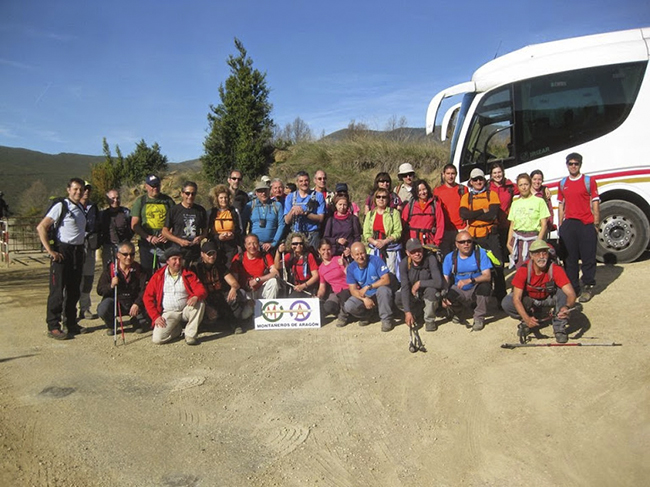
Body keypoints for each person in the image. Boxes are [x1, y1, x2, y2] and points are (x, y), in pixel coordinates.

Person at [36, 178, 87, 339]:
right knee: (57, 291)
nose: (78, 192)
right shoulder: (61, 206)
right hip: (62, 251)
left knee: (73, 290)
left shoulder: (80, 207)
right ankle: (53, 326)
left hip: (77, 252)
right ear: (68, 189)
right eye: (75, 189)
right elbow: (41, 227)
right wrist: (51, 251)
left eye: (81, 189)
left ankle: (70, 323)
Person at [501, 239, 577, 343]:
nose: (541, 256)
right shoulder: (523, 270)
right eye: (537, 253)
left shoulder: (555, 269)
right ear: (531, 256)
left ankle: (559, 328)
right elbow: (516, 298)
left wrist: (567, 307)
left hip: (549, 298)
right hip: (530, 300)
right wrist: (526, 318)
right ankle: (527, 320)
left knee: (563, 293)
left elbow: (571, 293)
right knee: (507, 303)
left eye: (544, 252)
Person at [459, 168, 506, 303]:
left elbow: (493, 214)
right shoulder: (466, 197)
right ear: (471, 182)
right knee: (475, 267)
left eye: (480, 179)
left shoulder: (492, 195)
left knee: (498, 266)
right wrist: (482, 210)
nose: (478, 182)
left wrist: (473, 214)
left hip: (490, 235)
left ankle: (500, 298)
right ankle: (478, 299)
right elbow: (463, 214)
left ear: (484, 180)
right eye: (475, 180)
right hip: (474, 238)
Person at [558, 152, 600, 303]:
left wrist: (596, 222)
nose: (573, 166)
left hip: (586, 223)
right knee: (570, 259)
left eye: (576, 163)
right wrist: (561, 226)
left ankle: (588, 286)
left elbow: (595, 202)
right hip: (570, 224)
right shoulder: (563, 183)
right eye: (571, 163)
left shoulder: (589, 181)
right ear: (567, 165)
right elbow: (561, 204)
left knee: (588, 257)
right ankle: (574, 288)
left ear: (580, 165)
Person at [143, 247, 207, 345]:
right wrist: (155, 316)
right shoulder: (158, 276)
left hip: (186, 309)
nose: (178, 262)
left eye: (180, 259)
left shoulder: (188, 274)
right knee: (158, 339)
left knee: (200, 303)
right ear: (167, 261)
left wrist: (196, 296)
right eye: (174, 259)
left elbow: (201, 289)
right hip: (169, 312)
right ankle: (177, 330)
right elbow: (147, 297)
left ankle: (190, 335)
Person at [194, 241, 251, 335]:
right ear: (202, 254)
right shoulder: (196, 267)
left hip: (220, 296)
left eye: (214, 253)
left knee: (238, 294)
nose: (212, 256)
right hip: (206, 298)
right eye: (209, 254)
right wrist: (207, 306)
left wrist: (233, 288)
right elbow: (195, 289)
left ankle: (234, 324)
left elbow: (234, 283)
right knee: (201, 306)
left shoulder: (220, 266)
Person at [441, 231, 493, 331]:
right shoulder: (450, 257)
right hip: (459, 288)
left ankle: (479, 317)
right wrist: (444, 295)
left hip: (476, 286)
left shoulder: (480, 253)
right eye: (462, 242)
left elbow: (487, 276)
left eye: (469, 241)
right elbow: (445, 278)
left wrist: (470, 280)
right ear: (456, 244)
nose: (466, 244)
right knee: (448, 297)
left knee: (485, 287)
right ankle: (459, 313)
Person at [96, 241, 149, 335]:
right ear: (118, 255)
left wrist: (137, 303)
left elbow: (144, 289)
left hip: (133, 302)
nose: (129, 257)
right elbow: (100, 290)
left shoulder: (139, 269)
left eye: (132, 254)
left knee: (151, 306)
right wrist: (111, 285)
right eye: (125, 254)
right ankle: (112, 325)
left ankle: (137, 322)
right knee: (103, 308)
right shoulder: (110, 269)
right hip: (117, 302)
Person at [344, 242, 395, 332]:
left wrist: (369, 286)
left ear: (366, 252)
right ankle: (367, 316)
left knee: (384, 290)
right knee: (349, 305)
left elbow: (386, 280)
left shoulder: (376, 260)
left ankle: (386, 319)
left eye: (362, 253)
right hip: (366, 296)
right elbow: (353, 289)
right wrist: (364, 299)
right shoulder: (351, 268)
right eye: (357, 254)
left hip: (378, 292)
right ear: (352, 256)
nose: (360, 256)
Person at [396, 238, 445, 332]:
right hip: (413, 294)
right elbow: (405, 287)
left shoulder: (430, 259)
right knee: (399, 296)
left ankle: (429, 320)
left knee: (432, 292)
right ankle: (415, 313)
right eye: (413, 252)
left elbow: (438, 282)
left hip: (427, 291)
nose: (417, 254)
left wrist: (420, 283)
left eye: (419, 250)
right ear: (407, 253)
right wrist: (407, 312)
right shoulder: (404, 264)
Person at [131, 174, 175, 275]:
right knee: (147, 274)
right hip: (147, 245)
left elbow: (175, 221)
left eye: (157, 185)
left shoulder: (168, 201)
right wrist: (148, 237)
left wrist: (168, 234)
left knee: (167, 273)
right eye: (152, 186)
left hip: (165, 244)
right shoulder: (140, 201)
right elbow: (134, 224)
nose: (155, 188)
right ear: (146, 186)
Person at [506, 174, 550, 269]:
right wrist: (509, 243)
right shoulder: (515, 203)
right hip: (518, 241)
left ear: (530, 184)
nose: (524, 187)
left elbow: (544, 225)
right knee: (521, 269)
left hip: (533, 238)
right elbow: (512, 225)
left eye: (526, 184)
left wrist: (538, 242)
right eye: (521, 185)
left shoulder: (539, 201)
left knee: (535, 268)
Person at [161, 181, 208, 268]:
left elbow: (205, 231)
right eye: (187, 193)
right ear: (182, 194)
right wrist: (179, 241)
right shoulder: (174, 210)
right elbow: (164, 231)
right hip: (178, 252)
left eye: (193, 194)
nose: (190, 196)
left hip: (195, 252)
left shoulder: (200, 210)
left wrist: (200, 237)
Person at [362, 187, 403, 275]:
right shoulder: (370, 214)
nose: (381, 199)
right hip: (374, 248)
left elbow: (398, 231)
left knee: (390, 273)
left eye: (384, 197)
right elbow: (366, 233)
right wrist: (375, 242)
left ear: (388, 199)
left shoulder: (394, 213)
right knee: (374, 273)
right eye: (378, 197)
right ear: (375, 199)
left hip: (390, 249)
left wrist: (385, 241)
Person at [283, 171, 326, 249]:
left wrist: (305, 213)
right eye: (301, 181)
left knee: (313, 258)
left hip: (313, 234)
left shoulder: (318, 196)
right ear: (297, 182)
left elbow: (321, 218)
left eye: (306, 180)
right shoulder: (290, 197)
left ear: (309, 181)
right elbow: (287, 220)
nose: (304, 183)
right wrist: (292, 210)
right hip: (296, 235)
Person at [230, 234, 280, 300]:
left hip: (261, 289)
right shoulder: (239, 258)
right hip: (245, 291)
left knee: (273, 282)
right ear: (245, 245)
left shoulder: (265, 256)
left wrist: (258, 280)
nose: (252, 246)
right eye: (249, 244)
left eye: (255, 243)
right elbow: (234, 278)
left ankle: (268, 306)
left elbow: (275, 273)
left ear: (258, 244)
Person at [78, 181, 101, 321]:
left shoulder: (93, 207)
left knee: (88, 278)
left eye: (88, 189)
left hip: (90, 248)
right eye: (84, 188)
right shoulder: (71, 205)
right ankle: (68, 309)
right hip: (75, 247)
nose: (86, 191)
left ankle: (85, 308)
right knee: (74, 279)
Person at [316, 240, 351, 327]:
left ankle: (343, 316)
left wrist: (345, 264)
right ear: (319, 251)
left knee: (344, 295)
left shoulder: (338, 259)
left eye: (328, 249)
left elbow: (351, 275)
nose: (326, 252)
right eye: (323, 249)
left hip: (349, 288)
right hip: (336, 292)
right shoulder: (321, 269)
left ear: (331, 250)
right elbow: (322, 288)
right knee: (328, 306)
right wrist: (318, 297)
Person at [433, 164, 467, 256]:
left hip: (461, 228)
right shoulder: (437, 191)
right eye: (448, 173)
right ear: (443, 174)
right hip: (445, 230)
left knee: (462, 256)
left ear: (456, 174)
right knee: (447, 257)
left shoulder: (463, 189)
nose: (450, 176)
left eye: (452, 173)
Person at [242, 181, 285, 253]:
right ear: (256, 192)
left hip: (271, 246)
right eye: (260, 191)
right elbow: (243, 224)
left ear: (269, 191)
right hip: (254, 247)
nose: (263, 193)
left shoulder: (277, 205)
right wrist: (247, 243)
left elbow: (281, 225)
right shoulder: (249, 206)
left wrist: (274, 243)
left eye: (265, 190)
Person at [207, 184, 243, 269]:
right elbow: (207, 232)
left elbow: (240, 229)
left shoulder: (234, 211)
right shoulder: (211, 213)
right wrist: (218, 237)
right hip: (216, 245)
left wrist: (233, 235)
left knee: (230, 268)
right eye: (221, 198)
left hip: (231, 246)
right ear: (217, 199)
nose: (224, 200)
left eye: (226, 197)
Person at [488, 162, 518, 262]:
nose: (497, 175)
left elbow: (526, 188)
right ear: (491, 175)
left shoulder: (509, 186)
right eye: (495, 173)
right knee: (497, 257)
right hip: (493, 226)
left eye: (499, 172)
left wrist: (544, 189)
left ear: (503, 172)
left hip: (507, 225)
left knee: (508, 254)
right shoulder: (487, 187)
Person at [401, 179, 445, 247]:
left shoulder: (435, 205)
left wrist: (436, 242)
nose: (422, 192)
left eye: (424, 189)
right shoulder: (410, 205)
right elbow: (403, 223)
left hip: (429, 242)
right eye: (419, 190)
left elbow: (440, 225)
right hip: (412, 241)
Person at [275, 232, 319, 297]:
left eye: (300, 243)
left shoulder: (309, 256)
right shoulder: (290, 256)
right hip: (297, 288)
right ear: (291, 245)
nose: (298, 245)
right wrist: (278, 252)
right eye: (295, 244)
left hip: (309, 288)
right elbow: (277, 266)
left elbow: (316, 276)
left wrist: (303, 286)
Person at [100, 189, 132, 269]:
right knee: (108, 271)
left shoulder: (126, 213)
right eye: (113, 198)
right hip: (108, 247)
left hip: (124, 247)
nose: (116, 200)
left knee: (125, 270)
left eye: (117, 198)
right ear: (107, 200)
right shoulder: (102, 215)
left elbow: (133, 227)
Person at [530, 169, 555, 234]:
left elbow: (550, 211)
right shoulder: (525, 193)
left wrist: (549, 226)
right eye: (534, 179)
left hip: (542, 229)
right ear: (530, 180)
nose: (537, 182)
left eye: (539, 179)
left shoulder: (544, 194)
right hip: (528, 229)